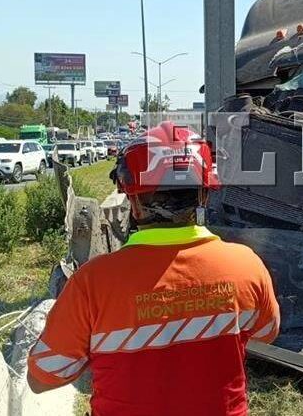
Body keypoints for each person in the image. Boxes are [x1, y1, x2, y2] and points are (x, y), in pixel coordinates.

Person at [27, 121, 280, 416]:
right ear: (204, 196)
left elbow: (42, 377)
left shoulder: (92, 283)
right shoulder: (247, 265)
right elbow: (267, 332)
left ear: (134, 202)